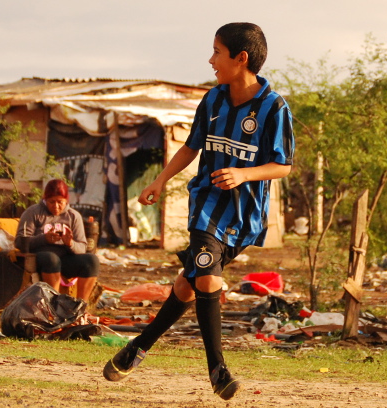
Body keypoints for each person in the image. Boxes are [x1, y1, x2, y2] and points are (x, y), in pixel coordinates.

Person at [102, 22, 294, 401]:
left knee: (188, 283)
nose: (211, 60)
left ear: (241, 59)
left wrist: (244, 174)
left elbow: (283, 165)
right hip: (206, 205)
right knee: (207, 276)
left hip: (244, 217)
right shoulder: (213, 101)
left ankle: (138, 347)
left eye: (217, 53)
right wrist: (159, 180)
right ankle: (218, 370)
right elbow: (190, 147)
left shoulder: (274, 108)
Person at [15, 179, 100, 301]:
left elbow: (82, 247)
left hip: (65, 258)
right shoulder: (33, 212)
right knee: (51, 259)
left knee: (92, 261)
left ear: (66, 201)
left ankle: (81, 306)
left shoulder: (73, 216)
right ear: (45, 200)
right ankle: (54, 304)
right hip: (41, 257)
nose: (56, 206)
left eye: (60, 202)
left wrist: (70, 243)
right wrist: (44, 239)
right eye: (51, 202)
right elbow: (19, 242)